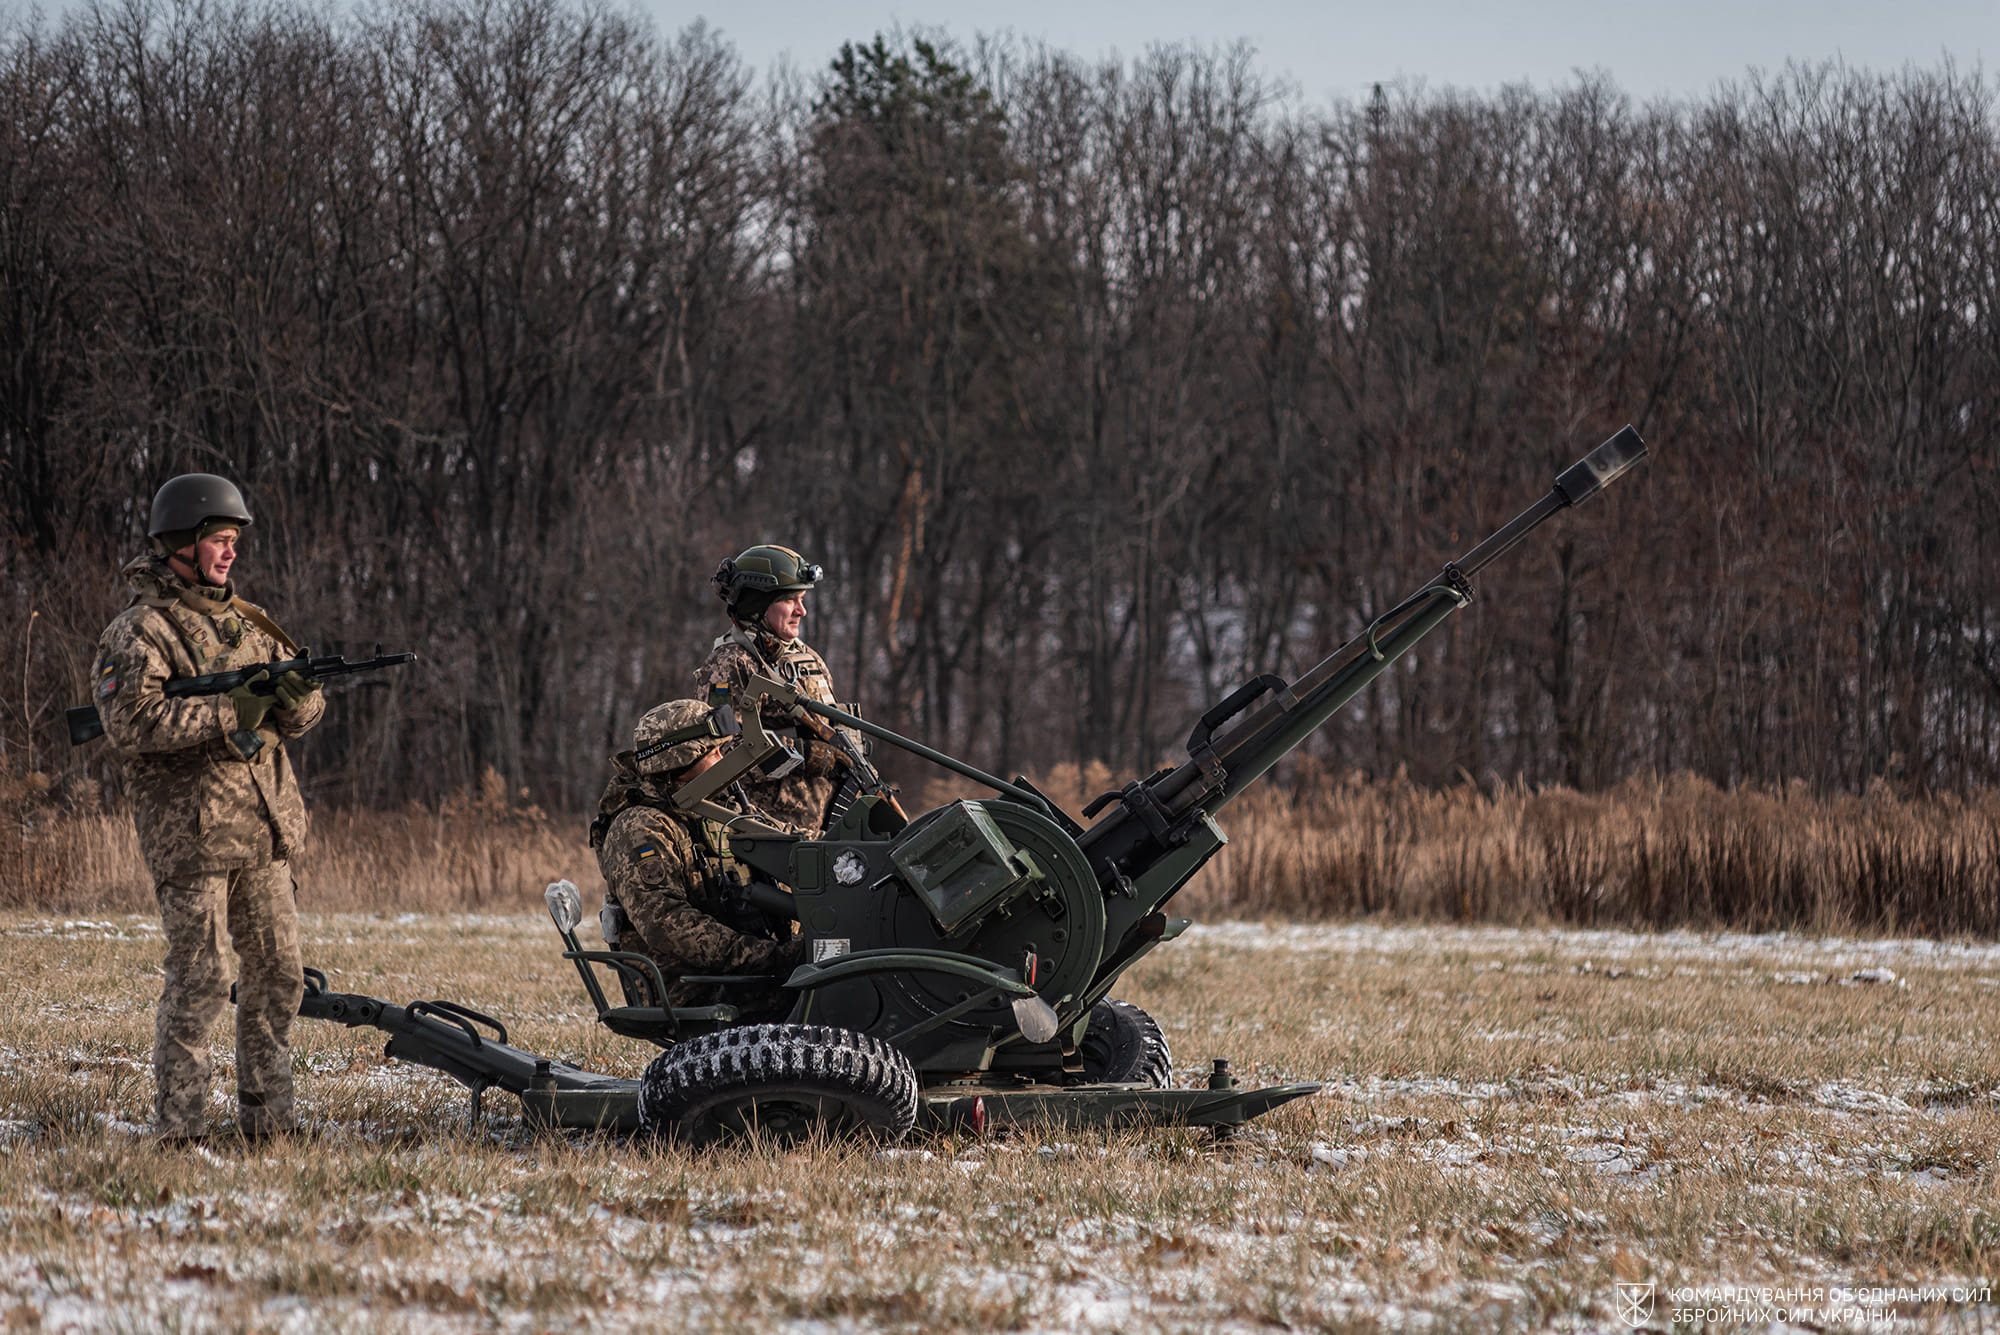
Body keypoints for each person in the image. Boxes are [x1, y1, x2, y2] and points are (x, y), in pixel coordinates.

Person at [94, 473, 325, 1143]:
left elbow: (306, 710)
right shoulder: (140, 631)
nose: (229, 553)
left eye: (232, 541)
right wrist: (234, 708)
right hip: (192, 838)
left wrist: (297, 696)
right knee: (200, 980)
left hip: (263, 831)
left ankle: (270, 1120)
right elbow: (132, 723)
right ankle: (181, 1129)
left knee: (280, 977)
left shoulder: (249, 623)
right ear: (181, 544)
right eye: (218, 540)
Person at [590, 699, 804, 1018]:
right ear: (679, 762)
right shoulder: (640, 826)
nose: (723, 760)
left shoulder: (715, 807)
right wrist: (773, 957)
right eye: (714, 752)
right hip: (692, 987)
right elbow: (665, 922)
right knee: (833, 991)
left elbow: (790, 841)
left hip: (743, 971)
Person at [695, 544, 862, 836]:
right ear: (756, 604)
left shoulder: (807, 658)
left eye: (802, 598)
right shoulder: (729, 664)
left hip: (823, 827)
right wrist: (805, 755)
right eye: (790, 600)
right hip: (769, 832)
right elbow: (719, 752)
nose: (802, 610)